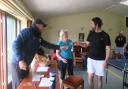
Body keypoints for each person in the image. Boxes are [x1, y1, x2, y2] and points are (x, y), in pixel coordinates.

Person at [11, 18, 65, 89]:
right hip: (17, 63)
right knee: (19, 85)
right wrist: (20, 60)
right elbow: (15, 44)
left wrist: (59, 47)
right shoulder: (27, 31)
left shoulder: (38, 36)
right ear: (38, 25)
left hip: (26, 63)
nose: (43, 28)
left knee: (25, 82)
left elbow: (46, 44)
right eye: (43, 26)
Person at [86, 17, 111, 89]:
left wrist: (106, 61)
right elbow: (86, 44)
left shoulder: (105, 35)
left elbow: (108, 49)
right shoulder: (91, 33)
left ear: (96, 25)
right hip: (90, 59)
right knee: (90, 77)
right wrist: (79, 43)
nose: (91, 25)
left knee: (99, 79)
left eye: (92, 24)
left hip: (101, 60)